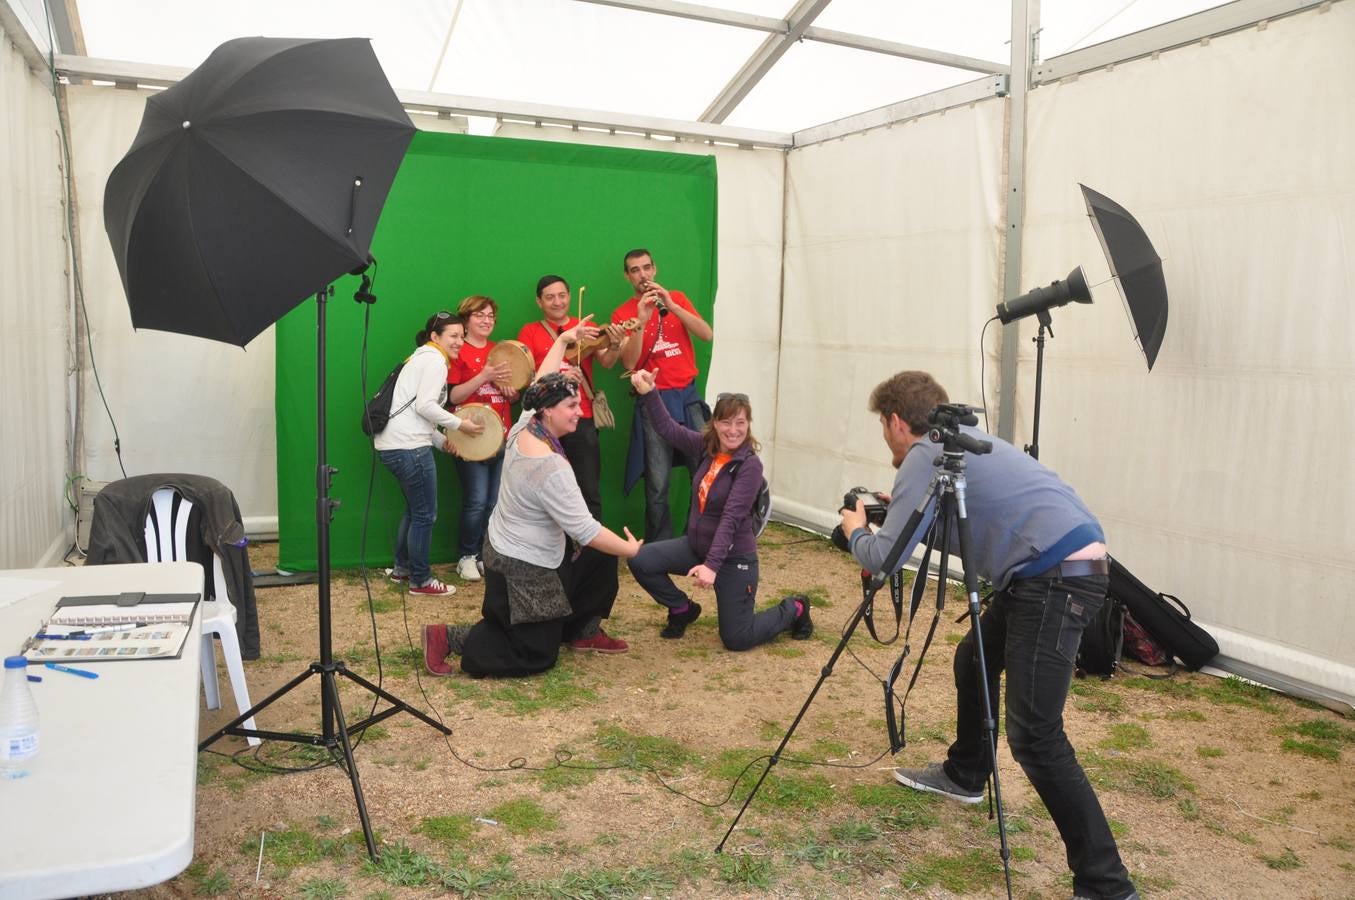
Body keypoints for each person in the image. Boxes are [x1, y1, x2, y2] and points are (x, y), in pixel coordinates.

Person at [840, 371, 1138, 900]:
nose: (884, 438)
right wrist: (909, 510)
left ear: (894, 420)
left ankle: (1106, 885)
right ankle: (966, 772)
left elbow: (885, 560)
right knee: (972, 657)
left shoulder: (923, 455)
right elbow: (977, 519)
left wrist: (855, 531)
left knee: (1037, 738)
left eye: (882, 427)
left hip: (1051, 580)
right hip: (1057, 568)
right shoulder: (963, 446)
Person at [423, 318, 642, 678]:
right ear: (549, 411)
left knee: (601, 560)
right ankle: (447, 637)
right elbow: (585, 530)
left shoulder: (528, 421)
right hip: (521, 565)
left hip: (523, 549)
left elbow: (541, 378)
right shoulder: (549, 466)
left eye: (577, 404)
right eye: (571, 406)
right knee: (537, 653)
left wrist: (565, 340)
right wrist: (632, 551)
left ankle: (581, 631)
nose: (578, 411)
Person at [626, 369, 811, 649]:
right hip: (697, 547)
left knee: (737, 638)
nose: (733, 430)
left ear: (748, 424)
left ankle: (795, 608)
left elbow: (732, 517)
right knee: (640, 560)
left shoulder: (749, 465)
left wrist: (711, 566)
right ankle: (681, 609)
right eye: (726, 422)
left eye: (740, 422)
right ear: (715, 422)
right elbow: (668, 429)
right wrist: (651, 392)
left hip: (733, 559)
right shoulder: (707, 446)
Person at [375, 312, 485, 597]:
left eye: (462, 335)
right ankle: (421, 580)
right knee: (425, 514)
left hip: (394, 446)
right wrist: (460, 425)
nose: (460, 341)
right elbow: (425, 406)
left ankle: (402, 569)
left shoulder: (420, 357)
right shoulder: (435, 360)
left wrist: (439, 441)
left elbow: (415, 411)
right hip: (409, 449)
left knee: (414, 511)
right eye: (453, 336)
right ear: (435, 337)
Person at [612, 248, 713, 541]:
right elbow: (629, 364)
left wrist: (672, 305)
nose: (642, 275)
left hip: (688, 397)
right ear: (627, 276)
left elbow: (706, 334)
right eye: (635, 270)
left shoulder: (677, 298)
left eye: (646, 268)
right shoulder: (623, 313)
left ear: (654, 269)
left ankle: (700, 539)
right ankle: (660, 546)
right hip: (654, 400)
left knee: (704, 472)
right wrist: (641, 319)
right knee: (657, 481)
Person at [516, 274, 626, 517]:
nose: (557, 302)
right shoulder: (530, 332)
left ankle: (592, 551)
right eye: (550, 297)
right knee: (544, 488)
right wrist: (561, 378)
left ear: (569, 295)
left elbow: (607, 362)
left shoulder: (584, 327)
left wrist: (616, 344)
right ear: (539, 302)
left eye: (562, 295)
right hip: (543, 420)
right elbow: (526, 377)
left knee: (587, 487)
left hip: (581, 417)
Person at [446, 294, 516, 583]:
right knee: (475, 501)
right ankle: (466, 556)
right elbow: (452, 397)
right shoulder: (458, 351)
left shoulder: (501, 351)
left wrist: (513, 392)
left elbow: (513, 389)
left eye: (490, 316)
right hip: (470, 439)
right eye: (480, 315)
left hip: (502, 437)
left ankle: (486, 554)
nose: (487, 320)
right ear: (466, 319)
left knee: (494, 502)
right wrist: (484, 375)